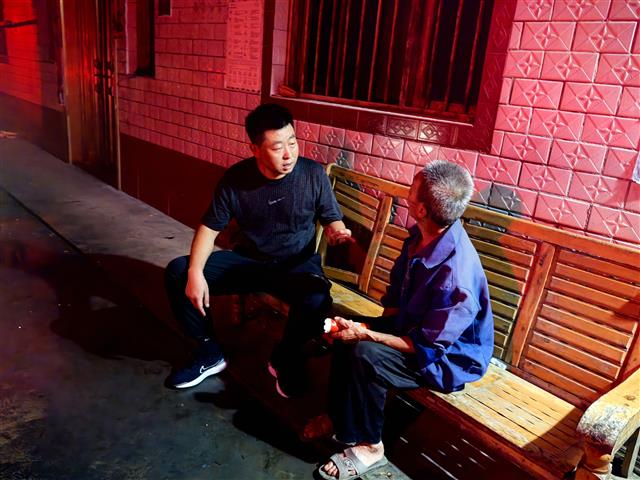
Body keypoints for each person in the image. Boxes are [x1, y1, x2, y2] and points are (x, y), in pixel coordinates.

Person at [316, 160, 494, 479]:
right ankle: (341, 419)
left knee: (366, 355)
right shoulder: (422, 236)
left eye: (412, 190)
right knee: (344, 334)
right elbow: (398, 293)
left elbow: (426, 346)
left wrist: (369, 335)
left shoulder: (456, 279)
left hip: (447, 357)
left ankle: (371, 447)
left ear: (422, 209)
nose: (407, 194)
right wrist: (369, 327)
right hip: (413, 328)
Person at [164, 103, 352, 397]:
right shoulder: (236, 179)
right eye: (278, 147)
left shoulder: (313, 174)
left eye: (293, 142)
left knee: (317, 299)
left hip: (296, 264)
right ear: (255, 149)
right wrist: (195, 272)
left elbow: (331, 216)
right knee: (179, 272)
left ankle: (285, 358)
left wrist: (337, 230)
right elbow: (209, 228)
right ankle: (208, 352)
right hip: (248, 263)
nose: (289, 154)